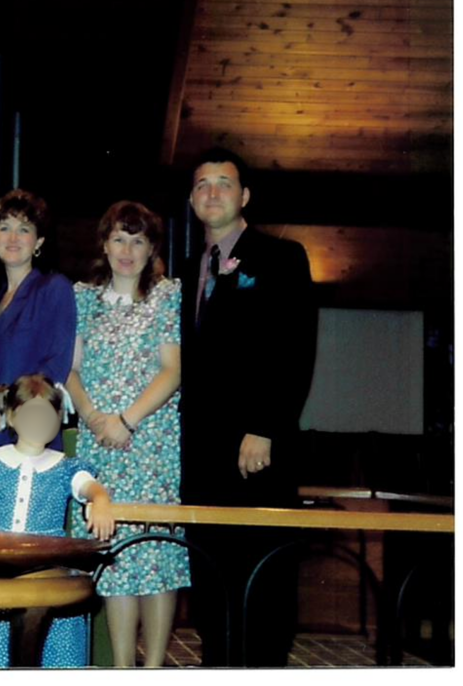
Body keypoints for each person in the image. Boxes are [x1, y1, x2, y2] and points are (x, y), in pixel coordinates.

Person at [180, 147, 317, 667]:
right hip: (201, 456)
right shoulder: (189, 267)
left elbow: (295, 350)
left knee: (263, 580)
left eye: (223, 183)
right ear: (193, 199)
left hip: (256, 450)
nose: (212, 192)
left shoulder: (282, 257)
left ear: (244, 196)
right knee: (211, 581)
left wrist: (265, 428)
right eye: (202, 184)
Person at [66, 200, 190, 668]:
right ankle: (121, 669)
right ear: (104, 243)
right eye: (119, 237)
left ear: (151, 248)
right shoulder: (83, 298)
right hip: (101, 444)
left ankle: (154, 669)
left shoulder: (165, 296)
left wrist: (127, 420)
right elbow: (70, 368)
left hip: (151, 443)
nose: (127, 249)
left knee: (156, 557)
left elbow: (172, 370)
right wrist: (95, 416)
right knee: (116, 557)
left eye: (137, 240)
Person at [0, 374, 114, 667]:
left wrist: (101, 500)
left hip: (43, 569)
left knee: (48, 634)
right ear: (12, 416)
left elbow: (88, 487)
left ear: (58, 418)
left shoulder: (65, 467)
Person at [0, 190, 76, 452]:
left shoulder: (54, 288)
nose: (13, 238)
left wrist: (8, 410)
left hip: (30, 432)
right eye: (5, 228)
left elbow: (56, 365)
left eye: (24, 229)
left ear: (39, 241)